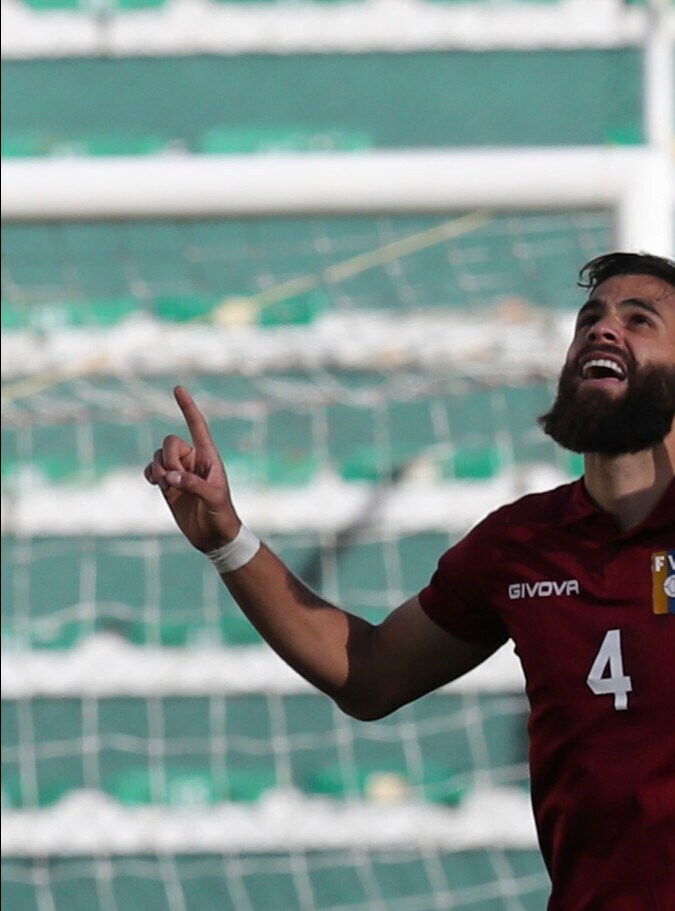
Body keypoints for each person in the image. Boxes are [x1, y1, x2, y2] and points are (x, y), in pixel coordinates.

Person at [144, 251, 675, 911]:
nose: (601, 329)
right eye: (589, 317)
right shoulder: (520, 543)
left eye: (638, 318)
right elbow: (368, 673)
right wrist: (227, 540)